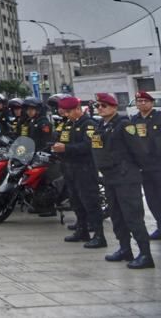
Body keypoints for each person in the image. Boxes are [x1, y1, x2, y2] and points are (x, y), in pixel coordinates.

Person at [90, 92, 153, 269]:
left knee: (133, 217)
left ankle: (145, 254)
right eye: (98, 106)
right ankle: (125, 248)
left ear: (114, 107)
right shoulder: (100, 125)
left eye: (104, 106)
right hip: (110, 177)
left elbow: (139, 151)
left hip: (125, 178)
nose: (100, 109)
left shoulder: (124, 125)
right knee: (117, 216)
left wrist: (132, 170)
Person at [52, 96, 106, 248]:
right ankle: (82, 231)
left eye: (69, 111)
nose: (67, 115)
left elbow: (89, 146)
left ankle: (99, 235)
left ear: (78, 109)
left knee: (90, 202)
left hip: (85, 169)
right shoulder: (69, 124)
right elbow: (64, 141)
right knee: (76, 201)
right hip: (70, 169)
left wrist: (66, 148)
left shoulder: (89, 125)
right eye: (65, 112)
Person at [129, 90, 161, 240]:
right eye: (139, 101)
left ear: (151, 103)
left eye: (145, 101)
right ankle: (160, 225)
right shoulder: (134, 120)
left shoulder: (159, 117)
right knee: (152, 198)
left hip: (158, 164)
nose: (142, 104)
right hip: (144, 166)